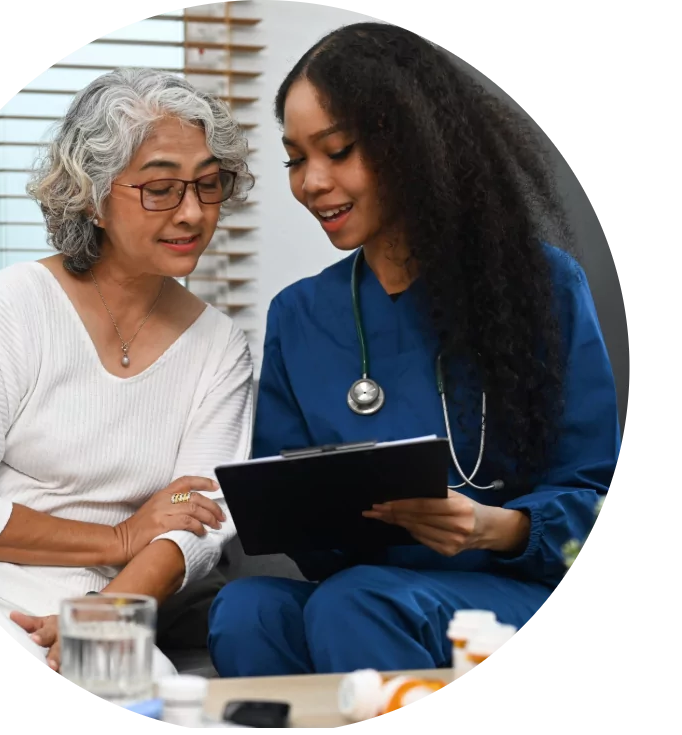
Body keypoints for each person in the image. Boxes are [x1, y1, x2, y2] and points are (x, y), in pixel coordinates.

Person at [203, 23, 623, 677]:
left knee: (356, 603)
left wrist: (495, 527)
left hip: (508, 593)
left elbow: (590, 499)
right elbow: (292, 518)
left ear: (414, 145)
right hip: (362, 594)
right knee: (246, 608)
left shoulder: (543, 285)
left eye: (337, 150)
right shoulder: (300, 314)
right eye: (294, 158)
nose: (311, 181)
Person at [0, 67, 256, 680]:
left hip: (105, 602)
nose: (193, 213)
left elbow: (200, 526)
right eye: (160, 189)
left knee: (152, 704)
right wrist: (121, 540)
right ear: (90, 196)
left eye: (209, 185)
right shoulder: (9, 304)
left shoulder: (220, 347)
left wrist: (109, 607)